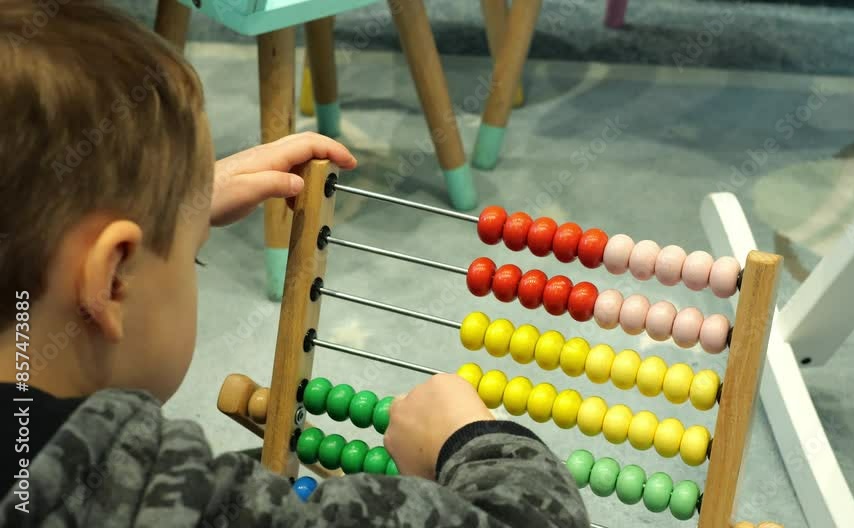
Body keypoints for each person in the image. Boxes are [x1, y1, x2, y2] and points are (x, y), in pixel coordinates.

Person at [0, 2, 589, 527]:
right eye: (195, 255)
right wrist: (476, 443)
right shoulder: (143, 498)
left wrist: (179, 206)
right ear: (110, 279)